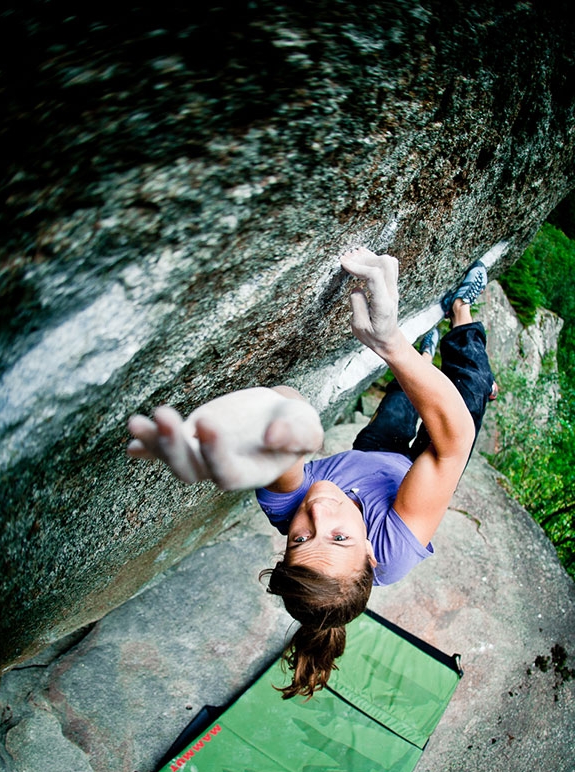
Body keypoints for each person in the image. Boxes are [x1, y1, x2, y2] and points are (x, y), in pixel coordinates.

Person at [127, 249, 496, 700]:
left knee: (403, 400)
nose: (318, 513)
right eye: (339, 538)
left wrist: (233, 430)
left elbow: (285, 404)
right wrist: (387, 341)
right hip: (411, 489)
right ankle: (461, 311)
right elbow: (450, 446)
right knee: (470, 391)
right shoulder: (394, 550)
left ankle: (424, 350)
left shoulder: (287, 506)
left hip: (374, 456)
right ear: (370, 554)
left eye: (300, 540)